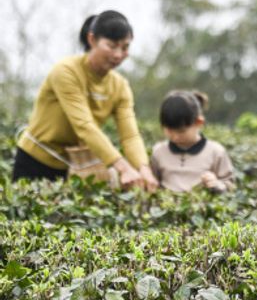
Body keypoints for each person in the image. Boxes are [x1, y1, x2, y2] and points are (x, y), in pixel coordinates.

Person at [13, 10, 158, 191]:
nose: (118, 54)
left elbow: (130, 136)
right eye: (112, 46)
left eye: (125, 47)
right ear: (92, 40)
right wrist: (124, 168)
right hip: (35, 161)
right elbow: (84, 126)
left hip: (73, 167)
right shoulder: (66, 71)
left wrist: (144, 169)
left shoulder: (119, 86)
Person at [150, 90, 235, 193]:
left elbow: (230, 185)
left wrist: (217, 184)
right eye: (169, 131)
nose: (175, 137)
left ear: (199, 122)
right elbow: (152, 184)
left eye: (181, 131)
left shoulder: (216, 152)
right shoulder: (159, 152)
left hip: (201, 206)